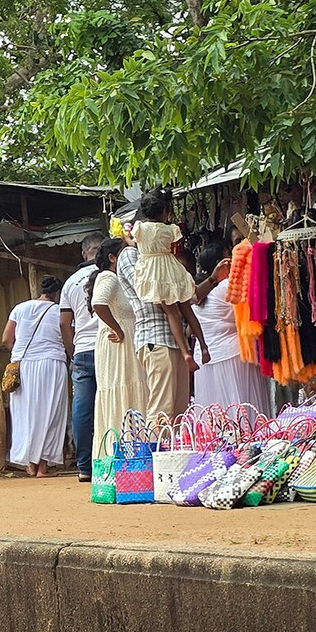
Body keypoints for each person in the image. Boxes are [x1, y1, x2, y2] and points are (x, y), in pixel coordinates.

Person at [118, 199, 191, 425]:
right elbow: (149, 292)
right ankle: (155, 447)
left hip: (174, 340)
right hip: (155, 337)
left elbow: (183, 296)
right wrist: (172, 301)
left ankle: (174, 448)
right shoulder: (130, 256)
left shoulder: (161, 257)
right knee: (162, 410)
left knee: (179, 410)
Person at [130, 190, 210, 371]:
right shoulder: (171, 229)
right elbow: (174, 246)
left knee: (172, 313)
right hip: (171, 268)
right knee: (187, 310)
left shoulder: (140, 228)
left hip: (153, 273)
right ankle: (204, 346)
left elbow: (133, 241)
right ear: (165, 211)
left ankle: (185, 352)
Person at [192, 243, 274, 414]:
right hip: (233, 355)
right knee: (242, 406)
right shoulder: (227, 286)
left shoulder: (198, 292)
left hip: (205, 359)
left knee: (216, 411)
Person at [2, 275, 69, 477]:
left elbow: (6, 339)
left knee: (25, 414)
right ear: (58, 293)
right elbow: (67, 335)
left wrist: (21, 353)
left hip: (24, 366)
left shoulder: (20, 308)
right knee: (50, 414)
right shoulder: (59, 311)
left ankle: (29, 462)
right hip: (52, 364)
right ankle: (43, 467)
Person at [87, 238, 148, 450]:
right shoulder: (108, 277)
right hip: (118, 344)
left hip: (126, 342)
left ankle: (136, 449)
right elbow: (98, 303)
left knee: (132, 391)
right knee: (124, 390)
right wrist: (118, 329)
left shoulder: (121, 279)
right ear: (113, 258)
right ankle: (124, 450)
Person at [59, 232, 105, 483]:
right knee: (111, 401)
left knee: (82, 408)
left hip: (82, 350)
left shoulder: (70, 282)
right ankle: (113, 461)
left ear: (83, 253)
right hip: (109, 345)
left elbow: (64, 323)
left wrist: (72, 352)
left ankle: (84, 466)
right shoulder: (109, 274)